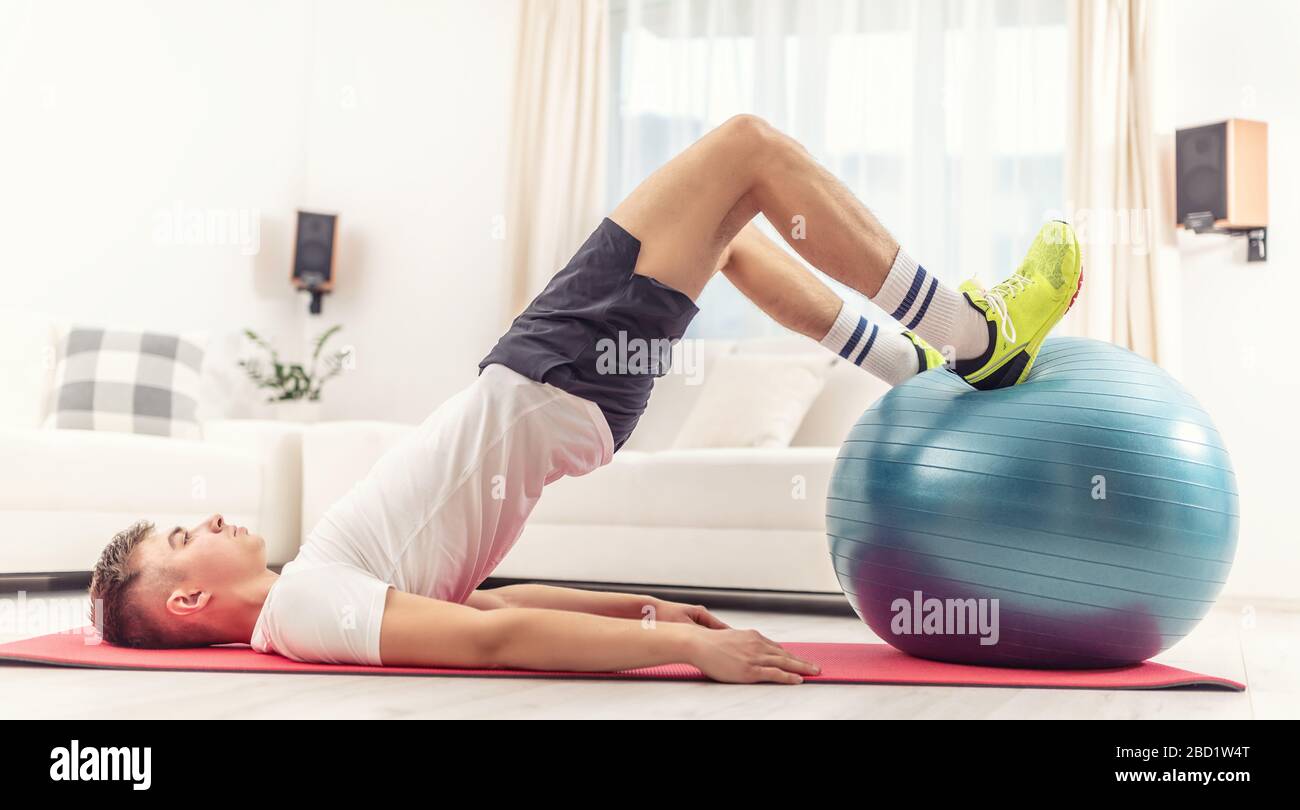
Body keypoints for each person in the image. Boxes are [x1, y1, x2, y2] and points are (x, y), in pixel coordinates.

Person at [89, 115, 1082, 684]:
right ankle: (976, 338)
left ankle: (911, 366)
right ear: (188, 599)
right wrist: (696, 659)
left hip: (556, 381)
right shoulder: (303, 609)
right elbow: (494, 641)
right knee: (743, 149)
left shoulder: (318, 590)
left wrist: (654, 613)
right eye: (184, 538)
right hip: (552, 373)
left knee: (730, 227)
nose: (207, 518)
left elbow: (491, 601)